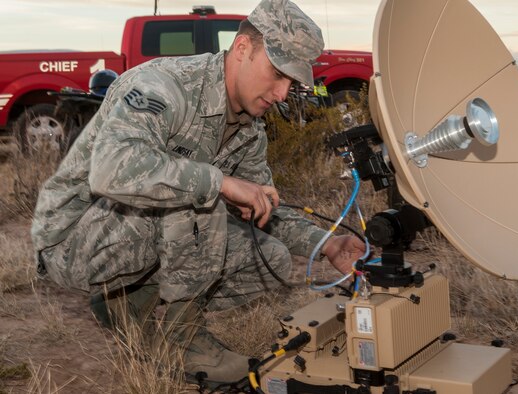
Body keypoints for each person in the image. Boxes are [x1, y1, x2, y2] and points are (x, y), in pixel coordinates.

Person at [31, 0, 365, 386]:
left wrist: (325, 244)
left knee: (271, 258)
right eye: (277, 73)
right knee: (202, 201)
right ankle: (181, 340)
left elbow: (263, 206)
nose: (281, 93)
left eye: (292, 83)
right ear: (242, 49)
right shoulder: (163, 86)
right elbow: (110, 170)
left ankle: (128, 303)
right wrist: (219, 182)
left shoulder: (248, 128)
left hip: (132, 231)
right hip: (73, 237)